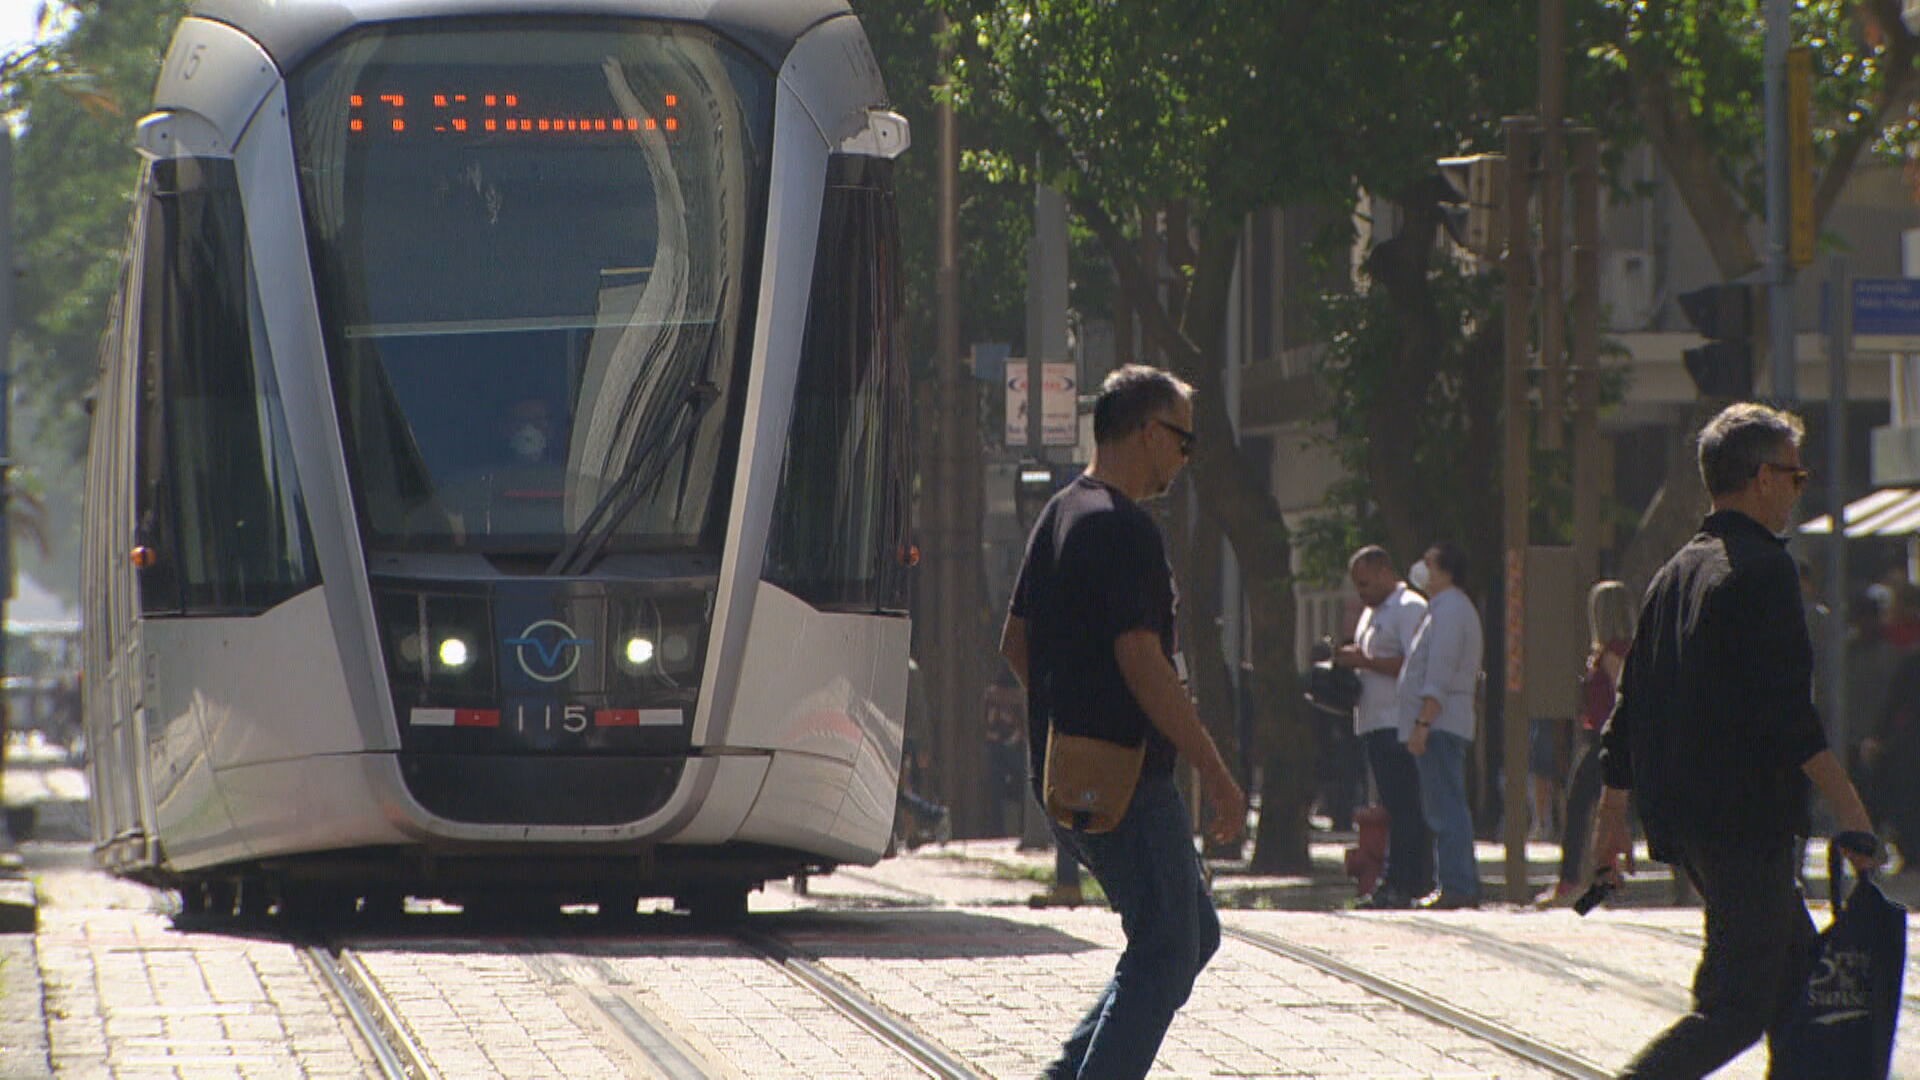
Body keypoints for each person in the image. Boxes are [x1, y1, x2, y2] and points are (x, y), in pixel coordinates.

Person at [1590, 402, 1881, 1079]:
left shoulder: (1674, 573)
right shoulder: (1763, 571)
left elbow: (1632, 705)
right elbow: (1788, 714)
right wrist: (1853, 814)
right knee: (1740, 1005)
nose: (1798, 487)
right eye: (1794, 474)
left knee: (1797, 986)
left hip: (1692, 820)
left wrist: (1612, 815)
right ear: (1760, 478)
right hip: (1743, 820)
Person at [999, 364, 1247, 1080]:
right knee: (1170, 945)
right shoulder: (1125, 528)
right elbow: (1144, 663)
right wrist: (1217, 774)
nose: (1184, 458)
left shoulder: (1061, 513)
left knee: (1187, 934)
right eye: (1183, 441)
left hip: (1069, 773)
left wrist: (1066, 719)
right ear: (1148, 432)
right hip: (1130, 778)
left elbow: (1017, 644)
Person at [1336, 545, 1433, 909]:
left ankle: (1404, 881)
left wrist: (1364, 660)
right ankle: (1407, 879)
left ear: (1383, 571)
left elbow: (1415, 664)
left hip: (1399, 721)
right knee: (1394, 805)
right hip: (1374, 721)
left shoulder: (1408, 608)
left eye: (1365, 583)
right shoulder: (1372, 612)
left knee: (1405, 806)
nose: (1362, 592)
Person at [1399, 541, 1484, 909]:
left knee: (1445, 806)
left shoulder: (1451, 611)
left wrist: (1423, 722)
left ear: (1446, 571)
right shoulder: (1443, 609)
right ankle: (1454, 880)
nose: (1422, 569)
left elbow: (1440, 671)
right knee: (1443, 804)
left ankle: (1457, 884)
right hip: (1441, 722)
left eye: (1429, 563)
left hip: (1440, 724)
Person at [1537, 580, 1632, 906]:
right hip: (1602, 733)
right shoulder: (1611, 650)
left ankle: (1571, 881)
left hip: (1606, 736)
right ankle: (1602, 879)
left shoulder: (1613, 651)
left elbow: (1623, 693)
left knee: (1579, 807)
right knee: (1599, 810)